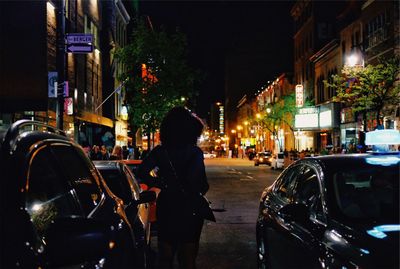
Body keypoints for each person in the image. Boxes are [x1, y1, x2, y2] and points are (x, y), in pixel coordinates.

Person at [137, 107, 209, 269]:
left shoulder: (160, 152)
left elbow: (142, 171)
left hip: (168, 204)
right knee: (188, 258)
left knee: (165, 255)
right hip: (189, 207)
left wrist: (161, 183)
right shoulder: (194, 153)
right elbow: (202, 184)